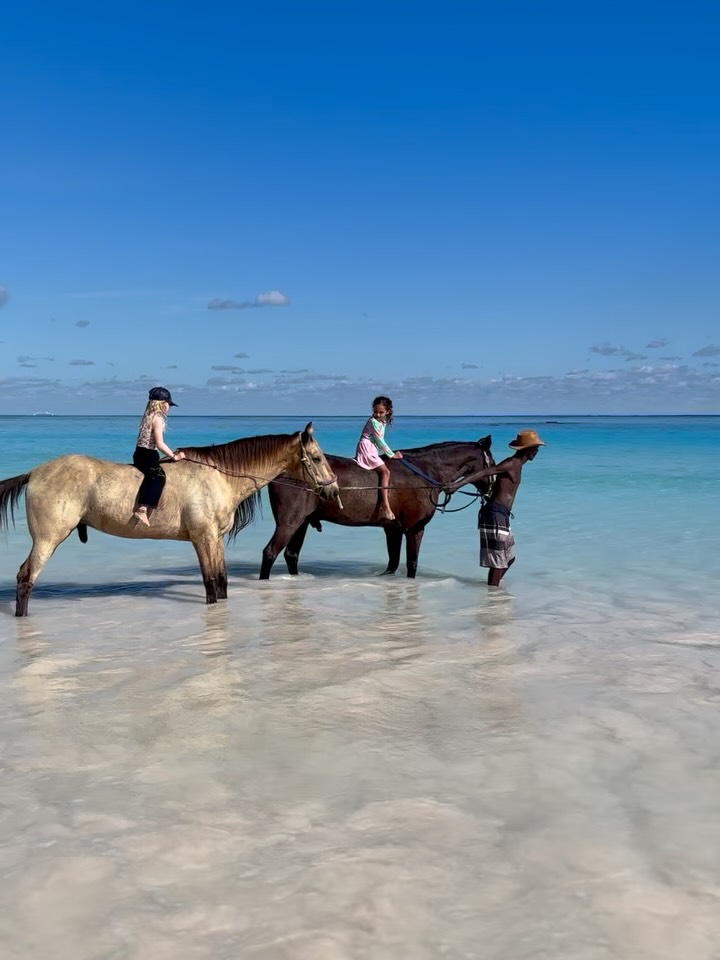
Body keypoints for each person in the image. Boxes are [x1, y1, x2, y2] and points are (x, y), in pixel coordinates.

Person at [444, 429, 545, 586]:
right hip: (494, 513)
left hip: (502, 514)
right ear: (528, 449)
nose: (537, 451)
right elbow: (483, 472)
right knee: (499, 562)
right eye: (535, 448)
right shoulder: (511, 463)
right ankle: (492, 596)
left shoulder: (518, 465)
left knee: (509, 558)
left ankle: (492, 588)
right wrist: (457, 485)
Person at [132, 386, 185, 525]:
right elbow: (160, 444)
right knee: (158, 476)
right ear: (162, 403)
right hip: (148, 455)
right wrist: (174, 456)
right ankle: (142, 509)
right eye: (169, 404)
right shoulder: (158, 419)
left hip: (139, 453)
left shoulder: (147, 416)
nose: (169, 407)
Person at [354, 395, 404, 520]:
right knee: (385, 472)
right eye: (375, 412)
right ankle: (386, 506)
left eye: (381, 412)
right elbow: (380, 441)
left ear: (387, 411)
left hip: (372, 448)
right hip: (366, 448)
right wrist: (392, 455)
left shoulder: (383, 421)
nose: (377, 414)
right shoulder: (373, 422)